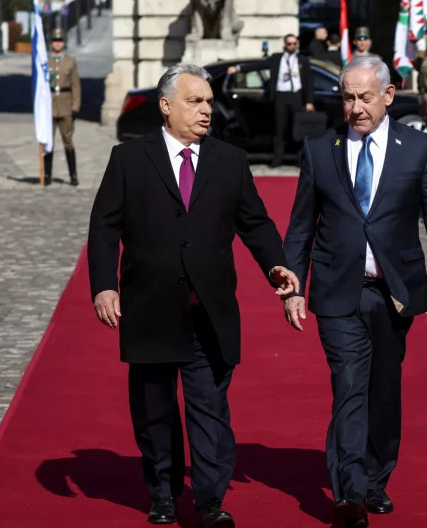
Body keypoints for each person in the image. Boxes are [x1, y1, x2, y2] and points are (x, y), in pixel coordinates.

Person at [87, 64, 299, 527]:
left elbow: (256, 222)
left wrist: (276, 264)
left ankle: (209, 501)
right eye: (194, 101)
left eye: (208, 101)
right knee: (155, 411)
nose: (207, 110)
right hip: (150, 308)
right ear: (166, 106)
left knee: (209, 410)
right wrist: (104, 284)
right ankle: (162, 492)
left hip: (210, 310)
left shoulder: (229, 160)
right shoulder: (129, 160)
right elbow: (104, 228)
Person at [282, 56, 427, 527]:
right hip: (337, 290)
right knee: (348, 386)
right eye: (347, 97)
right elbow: (301, 225)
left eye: (364, 97)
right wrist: (293, 285)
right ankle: (350, 492)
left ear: (388, 94)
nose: (355, 107)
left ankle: (377, 477)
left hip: (393, 291)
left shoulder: (417, 149)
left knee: (384, 389)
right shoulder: (321, 148)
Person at [227, 34, 315, 168]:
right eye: (289, 44)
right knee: (279, 128)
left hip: (296, 96)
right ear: (285, 45)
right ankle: (277, 159)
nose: (292, 46)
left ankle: (300, 158)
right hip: (281, 96)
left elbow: (309, 83)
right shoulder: (276, 58)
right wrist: (238, 68)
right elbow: (258, 64)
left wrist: (309, 102)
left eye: (294, 44)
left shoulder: (302, 60)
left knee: (298, 129)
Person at [48, 28, 81, 186]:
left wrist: (75, 106)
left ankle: (73, 175)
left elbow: (76, 85)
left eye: (60, 40)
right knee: (48, 142)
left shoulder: (70, 62)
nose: (57, 43)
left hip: (66, 105)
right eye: (55, 40)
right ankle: (47, 174)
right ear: (51, 43)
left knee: (68, 141)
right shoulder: (45, 61)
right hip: (49, 106)